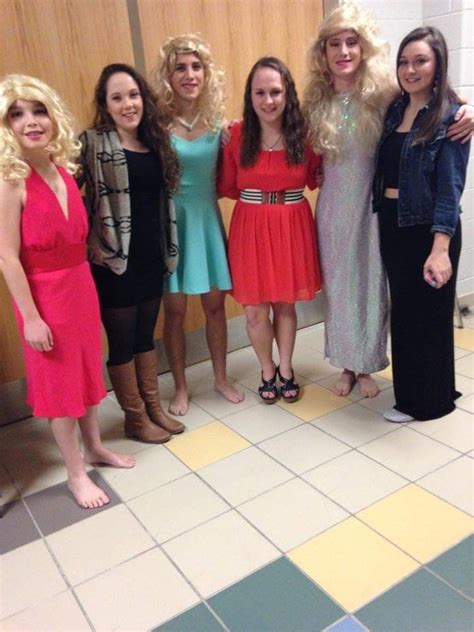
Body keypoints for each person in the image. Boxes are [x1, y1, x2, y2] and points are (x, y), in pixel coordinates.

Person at [303, 2, 474, 399]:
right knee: (341, 287)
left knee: (373, 286)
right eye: (334, 44)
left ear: (363, 48)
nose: (343, 52)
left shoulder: (384, 94)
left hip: (375, 206)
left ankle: (367, 365)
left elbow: (434, 99)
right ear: (323, 52)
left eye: (351, 42)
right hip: (332, 209)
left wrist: (469, 109)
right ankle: (346, 363)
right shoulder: (314, 99)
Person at [0, 74, 134, 509]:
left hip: (78, 286)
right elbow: (7, 256)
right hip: (44, 297)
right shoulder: (10, 182)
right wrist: (32, 317)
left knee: (85, 372)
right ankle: (76, 473)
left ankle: (95, 447)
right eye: (16, 115)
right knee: (60, 390)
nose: (30, 122)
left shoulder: (61, 169)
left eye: (38, 110)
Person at [79, 63, 185, 442]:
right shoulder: (90, 144)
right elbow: (66, 193)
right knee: (122, 340)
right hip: (113, 262)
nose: (128, 104)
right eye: (117, 97)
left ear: (144, 98)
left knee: (145, 336)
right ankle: (135, 418)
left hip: (151, 255)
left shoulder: (156, 142)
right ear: (106, 105)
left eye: (133, 95)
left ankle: (153, 407)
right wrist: (86, 238)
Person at [373, 26, 470, 422]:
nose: (410, 69)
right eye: (404, 62)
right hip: (394, 225)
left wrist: (441, 247)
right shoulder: (397, 107)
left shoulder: (450, 116)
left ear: (438, 64)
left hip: (429, 230)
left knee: (426, 317)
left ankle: (424, 404)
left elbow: (451, 187)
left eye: (420, 61)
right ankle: (435, 389)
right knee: (409, 314)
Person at [219, 57, 322, 404]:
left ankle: (287, 368)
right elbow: (229, 186)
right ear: (249, 96)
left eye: (275, 91)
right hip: (251, 227)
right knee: (254, 310)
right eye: (259, 92)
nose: (268, 100)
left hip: (292, 224)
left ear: (287, 93)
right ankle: (267, 370)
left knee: (286, 305)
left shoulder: (304, 134)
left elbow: (315, 177)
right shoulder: (236, 136)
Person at [153, 34, 244, 416]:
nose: (189, 75)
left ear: (206, 73)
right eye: (180, 68)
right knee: (174, 312)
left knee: (215, 308)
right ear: (169, 76)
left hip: (207, 222)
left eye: (196, 67)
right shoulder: (155, 125)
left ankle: (220, 378)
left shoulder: (219, 125)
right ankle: (180, 386)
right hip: (173, 225)